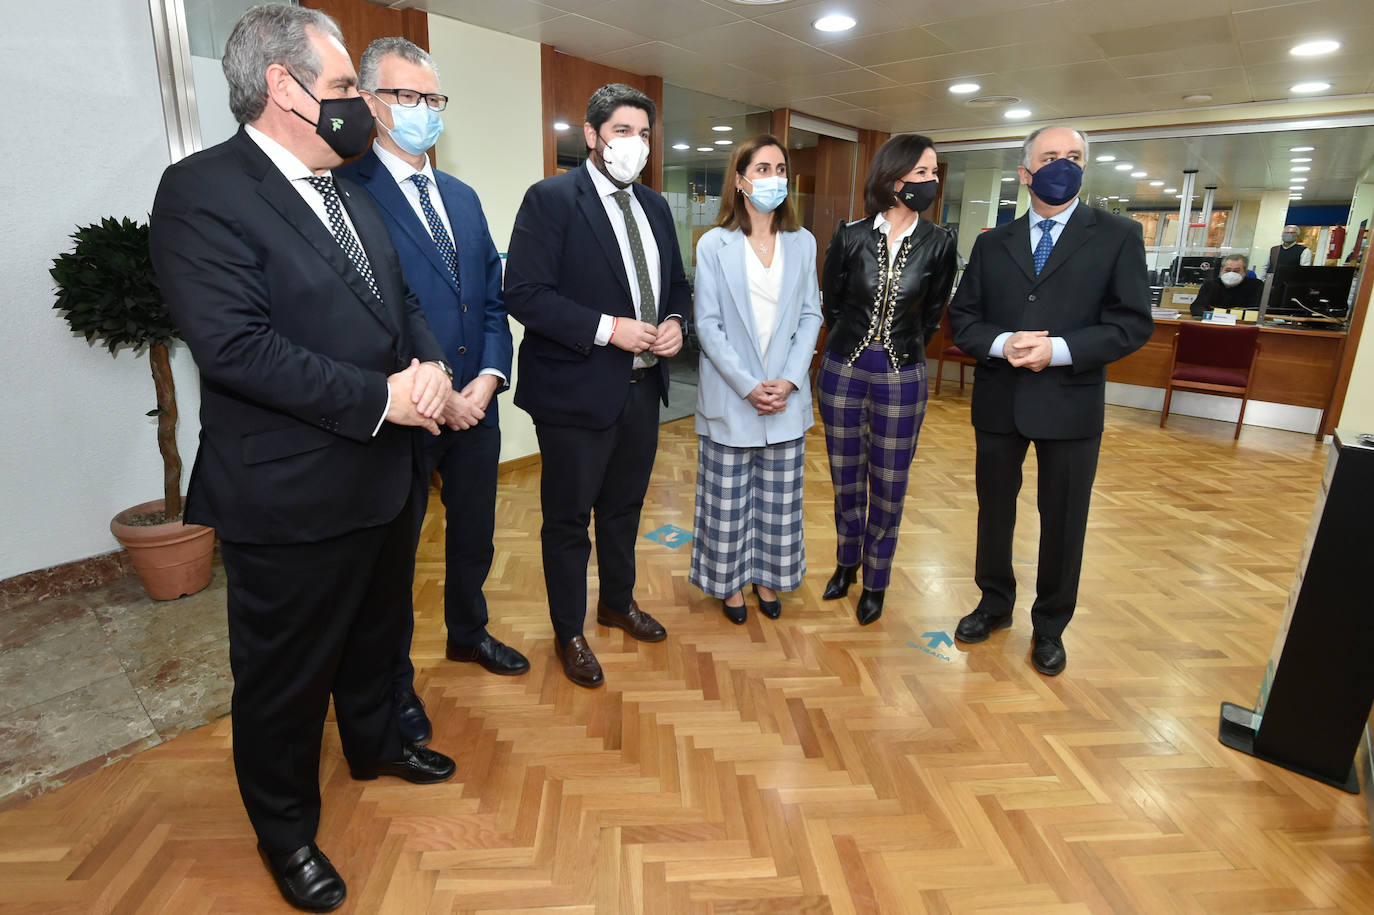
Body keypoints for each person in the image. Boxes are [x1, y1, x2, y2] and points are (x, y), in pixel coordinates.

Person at [148, 6, 457, 911]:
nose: (363, 105)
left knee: (376, 637)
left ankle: (375, 743)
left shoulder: (351, 187)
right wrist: (382, 399)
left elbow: (399, 303)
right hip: (288, 495)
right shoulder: (201, 190)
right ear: (282, 87)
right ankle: (285, 829)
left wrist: (432, 363)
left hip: (384, 477)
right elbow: (236, 347)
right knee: (283, 680)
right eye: (346, 88)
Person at [336, 37, 527, 747]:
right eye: (405, 97)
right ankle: (394, 682)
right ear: (368, 103)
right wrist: (436, 392)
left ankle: (468, 633)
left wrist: (487, 377)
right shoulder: (348, 194)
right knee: (394, 562)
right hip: (405, 414)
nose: (421, 111)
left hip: (475, 405)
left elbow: (489, 300)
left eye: (432, 99)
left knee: (474, 536)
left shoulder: (463, 196)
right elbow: (364, 314)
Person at [504, 83, 691, 688]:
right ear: (591, 135)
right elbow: (524, 294)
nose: (633, 145)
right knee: (567, 519)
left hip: (641, 389)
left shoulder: (656, 207)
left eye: (643, 134)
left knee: (624, 508)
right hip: (574, 392)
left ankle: (617, 602)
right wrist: (611, 330)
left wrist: (673, 325)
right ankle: (570, 631)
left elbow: (676, 287)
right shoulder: (551, 199)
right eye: (621, 132)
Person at [949, 125, 1152, 676]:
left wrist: (1059, 350)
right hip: (1000, 401)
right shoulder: (993, 243)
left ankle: (1050, 625)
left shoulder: (1117, 234)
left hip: (1071, 402)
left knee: (1064, 519)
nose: (1064, 165)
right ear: (1026, 171)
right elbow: (963, 319)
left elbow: (1131, 324)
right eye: (1050, 156)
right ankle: (994, 603)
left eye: (1074, 157)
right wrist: (1001, 343)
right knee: (995, 509)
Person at [818, 134, 958, 626]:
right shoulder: (850, 234)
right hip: (842, 371)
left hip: (902, 374)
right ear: (892, 177)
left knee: (890, 484)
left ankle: (876, 581)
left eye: (934, 172)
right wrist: (851, 338)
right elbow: (830, 301)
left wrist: (899, 348)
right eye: (920, 172)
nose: (930, 181)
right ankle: (845, 565)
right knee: (846, 480)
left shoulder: (940, 242)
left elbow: (934, 313)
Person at [689, 136, 823, 623]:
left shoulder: (802, 242)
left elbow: (811, 314)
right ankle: (727, 586)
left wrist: (788, 380)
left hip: (785, 396)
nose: (774, 178)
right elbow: (707, 324)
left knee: (780, 502)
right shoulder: (713, 244)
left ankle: (769, 580)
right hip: (732, 393)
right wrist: (749, 385)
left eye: (781, 168)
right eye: (762, 168)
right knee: (725, 502)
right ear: (741, 179)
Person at [1190, 254, 1263, 318]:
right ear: (1221, 270)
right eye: (1227, 270)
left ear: (1246, 272)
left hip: (1241, 325)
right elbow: (1197, 306)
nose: (1231, 274)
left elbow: (1257, 310)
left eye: (1236, 271)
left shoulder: (1256, 285)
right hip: (1214, 322)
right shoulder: (1210, 285)